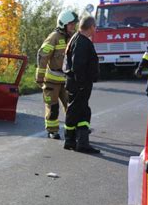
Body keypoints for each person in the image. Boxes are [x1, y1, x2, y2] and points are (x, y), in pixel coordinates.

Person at [36, 10, 79, 139]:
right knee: (53, 107)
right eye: (71, 24)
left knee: (72, 107)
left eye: (74, 24)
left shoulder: (73, 37)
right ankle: (52, 130)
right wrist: (39, 77)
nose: (73, 27)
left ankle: (74, 130)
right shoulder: (53, 37)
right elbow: (43, 57)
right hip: (51, 81)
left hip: (67, 80)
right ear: (63, 24)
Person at [63, 16, 100, 153]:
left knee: (76, 111)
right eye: (94, 27)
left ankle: (71, 140)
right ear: (91, 27)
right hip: (79, 84)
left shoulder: (77, 39)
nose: (95, 29)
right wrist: (82, 83)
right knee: (82, 112)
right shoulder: (82, 42)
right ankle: (81, 143)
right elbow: (78, 65)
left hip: (76, 83)